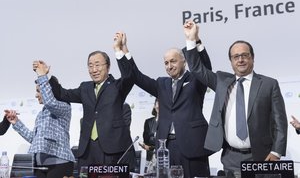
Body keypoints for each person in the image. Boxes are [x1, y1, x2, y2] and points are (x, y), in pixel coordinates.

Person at [183, 21, 288, 178]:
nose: (241, 60)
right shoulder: (222, 81)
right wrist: (192, 39)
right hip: (231, 158)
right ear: (231, 61)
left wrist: (276, 151)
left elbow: (280, 122)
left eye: (245, 55)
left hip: (262, 156)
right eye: (236, 56)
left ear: (252, 58)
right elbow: (198, 69)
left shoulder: (269, 84)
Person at [117, 31, 212, 178]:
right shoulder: (162, 83)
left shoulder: (195, 78)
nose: (169, 66)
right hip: (166, 147)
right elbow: (137, 76)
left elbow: (205, 68)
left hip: (191, 145)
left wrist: (196, 40)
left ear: (184, 61)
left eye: (173, 61)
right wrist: (124, 50)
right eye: (166, 63)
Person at [47, 37, 135, 173]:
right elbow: (62, 94)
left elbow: (129, 75)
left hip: (111, 149)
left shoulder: (118, 86)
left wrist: (118, 50)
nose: (94, 69)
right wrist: (48, 76)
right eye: (90, 65)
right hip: (87, 151)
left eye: (98, 64)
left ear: (108, 66)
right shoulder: (85, 88)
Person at [5, 61, 75, 178]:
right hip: (40, 165)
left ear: (49, 90)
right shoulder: (41, 114)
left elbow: (50, 102)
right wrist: (16, 122)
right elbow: (34, 139)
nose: (36, 95)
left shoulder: (64, 107)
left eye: (39, 91)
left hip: (59, 164)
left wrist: (42, 76)